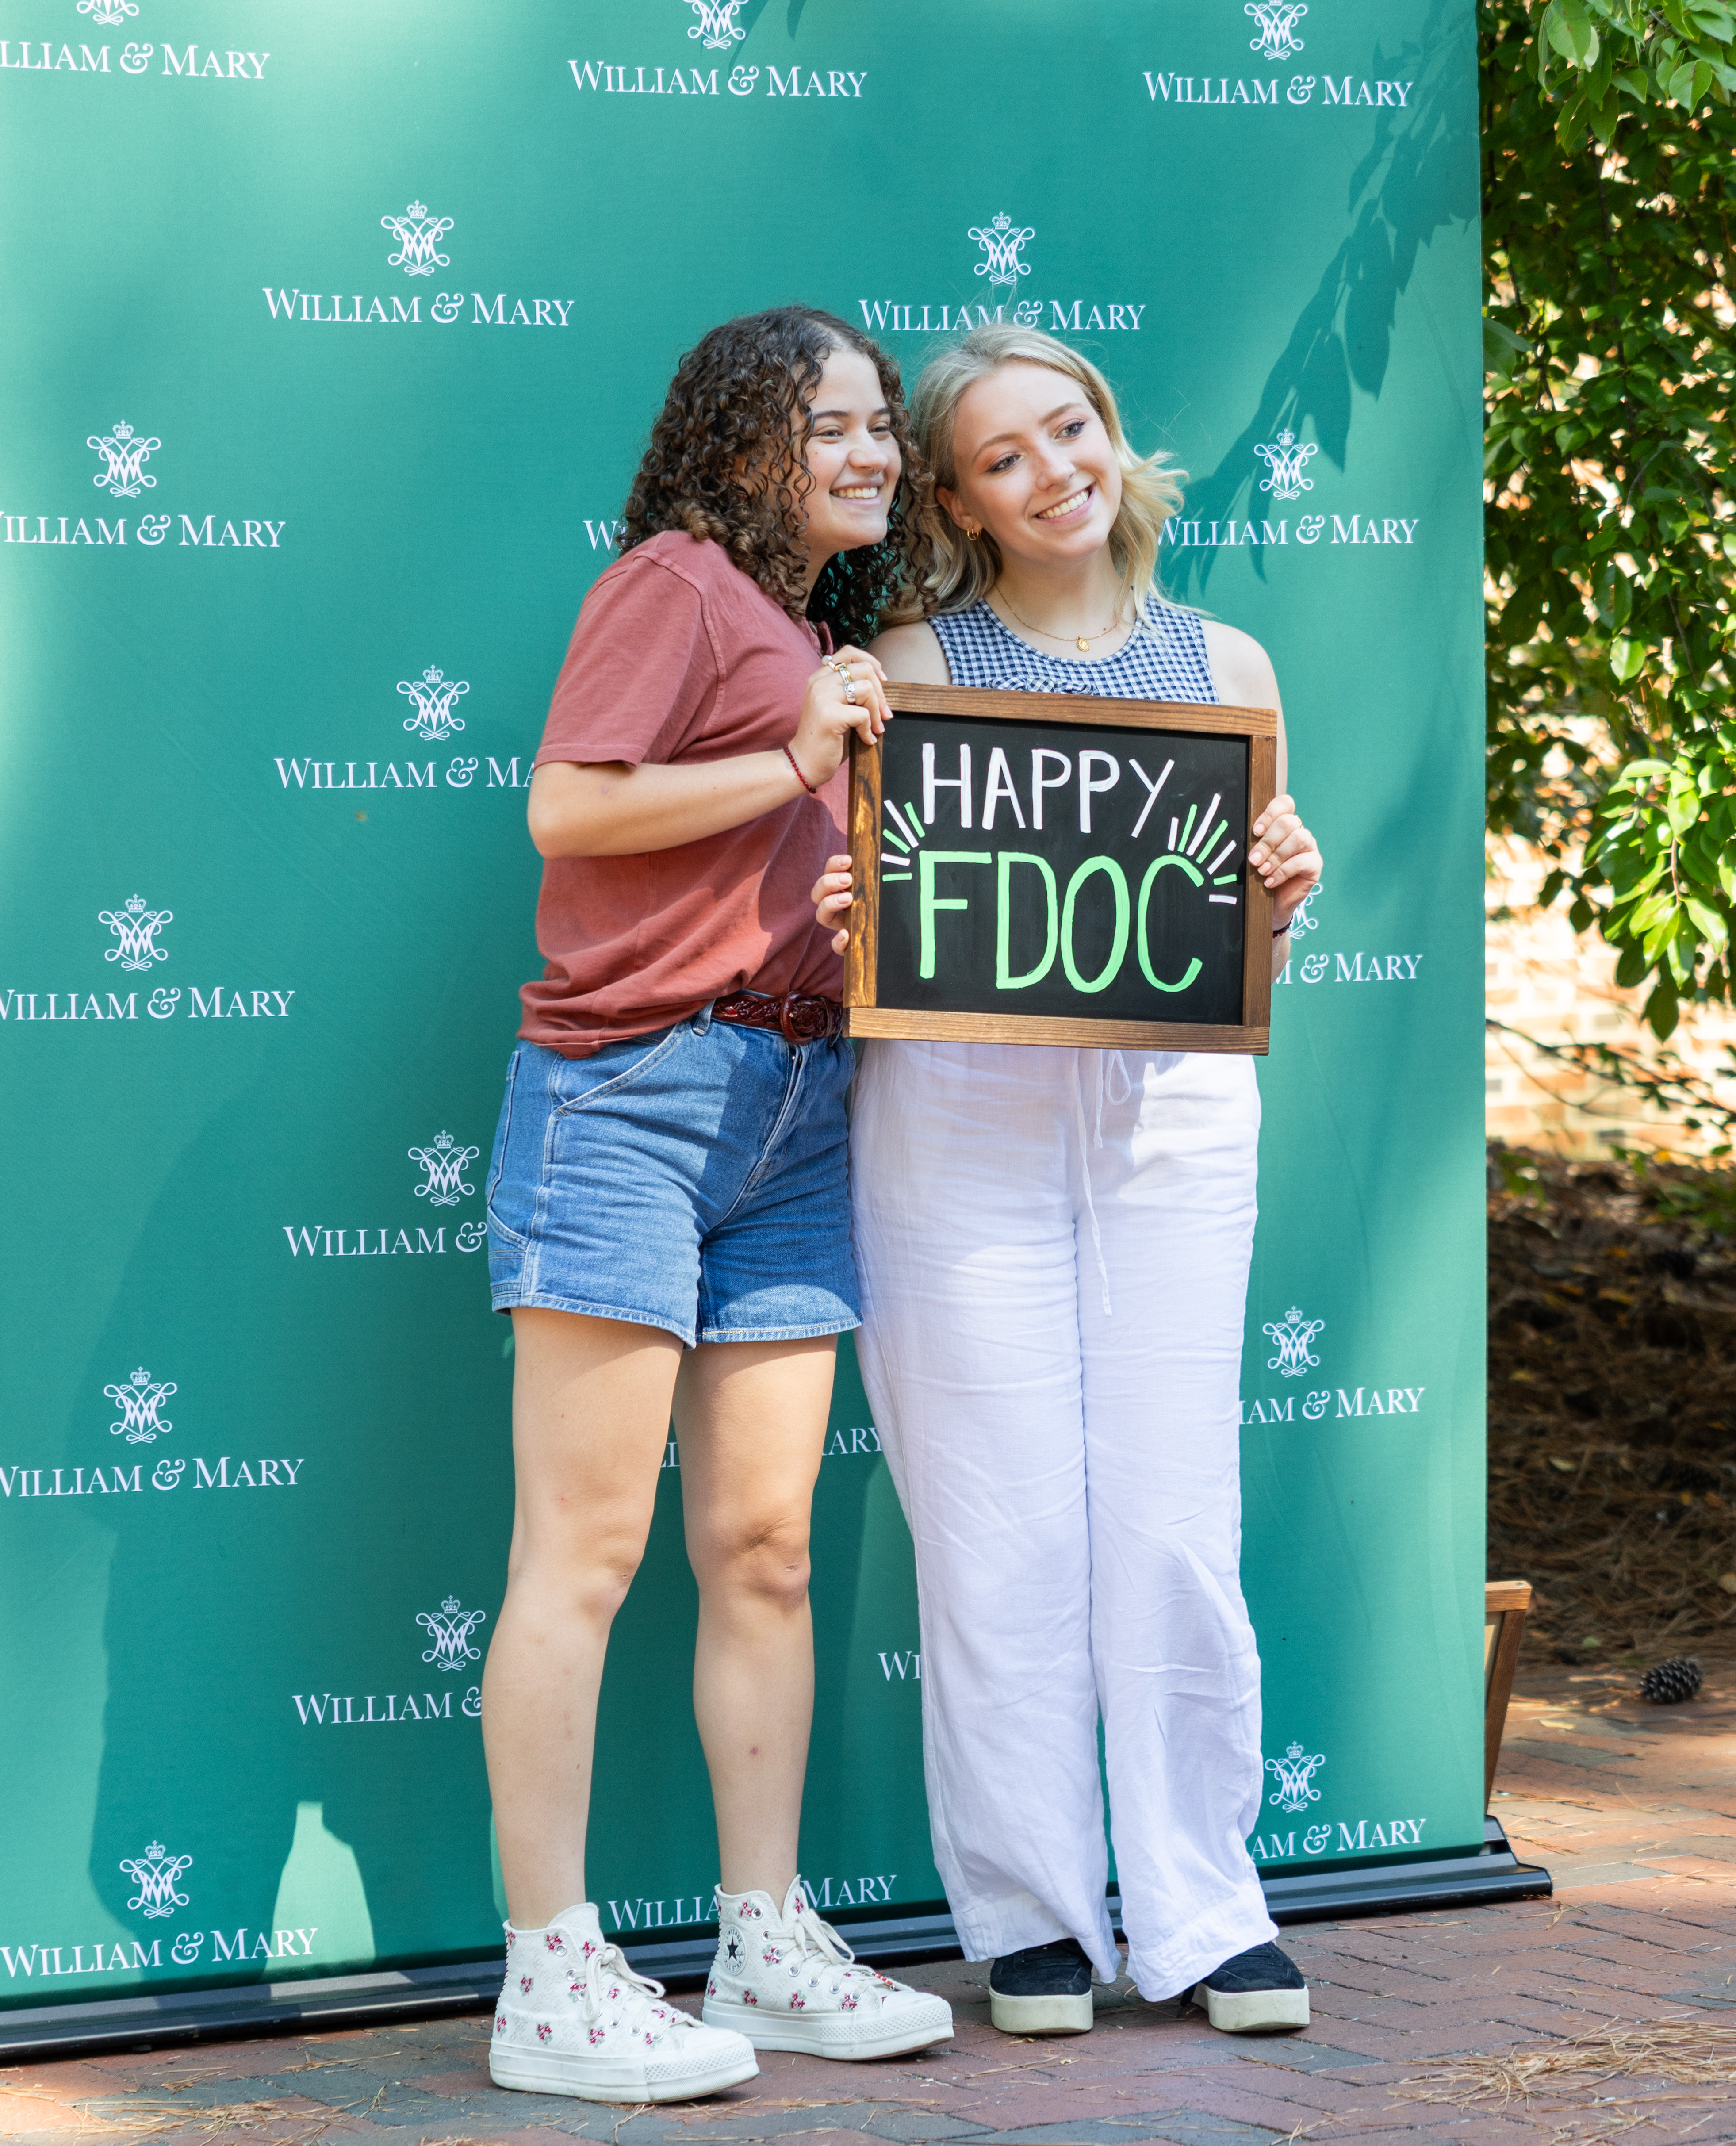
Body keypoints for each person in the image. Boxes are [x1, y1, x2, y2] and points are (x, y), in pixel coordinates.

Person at [810, 323, 1325, 2037]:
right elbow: (868, 901)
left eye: (1072, 428)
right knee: (998, 1519)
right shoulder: (909, 659)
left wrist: (1280, 884)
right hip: (958, 1108)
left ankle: (1200, 1905)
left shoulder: (1227, 661)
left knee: (1173, 1518)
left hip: (1170, 1106)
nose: (1055, 471)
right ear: (953, 500)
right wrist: (845, 914)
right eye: (1005, 456)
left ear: (1113, 436)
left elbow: (1243, 905)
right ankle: (1029, 1912)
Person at [475, 307, 954, 2103]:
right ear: (743, 433)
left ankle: (761, 1934)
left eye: (885, 430)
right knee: (583, 1555)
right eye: (834, 422)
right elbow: (565, 811)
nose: (871, 454)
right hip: (633, 1098)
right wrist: (795, 761)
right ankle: (551, 1974)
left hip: (798, 1104)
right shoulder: (677, 583)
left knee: (762, 1548)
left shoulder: (807, 631)